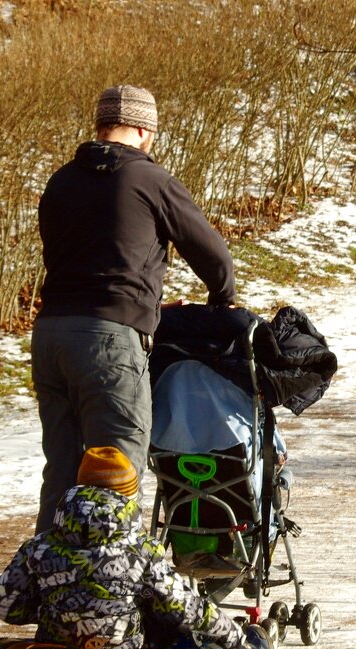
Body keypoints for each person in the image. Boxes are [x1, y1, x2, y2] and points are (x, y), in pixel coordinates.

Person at [32, 84, 236, 534]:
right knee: (116, 470)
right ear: (145, 131)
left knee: (62, 471)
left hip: (50, 338)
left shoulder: (60, 181)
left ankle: (47, 583)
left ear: (101, 126)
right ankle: (110, 591)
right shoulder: (149, 179)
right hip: (110, 342)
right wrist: (223, 301)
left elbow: (82, 257)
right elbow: (214, 256)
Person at [0, 446, 272, 649]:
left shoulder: (40, 545)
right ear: (129, 496)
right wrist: (234, 643)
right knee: (196, 633)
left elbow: (4, 603)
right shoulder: (141, 552)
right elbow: (188, 609)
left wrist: (55, 610)